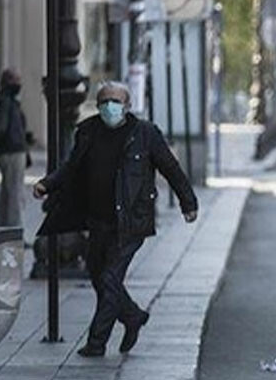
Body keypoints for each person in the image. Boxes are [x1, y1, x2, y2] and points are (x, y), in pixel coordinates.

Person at [33, 81, 198, 358]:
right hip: (98, 220)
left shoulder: (145, 134)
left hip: (132, 221)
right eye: (105, 101)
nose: (111, 106)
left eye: (116, 101)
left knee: (110, 277)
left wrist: (188, 203)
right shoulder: (88, 131)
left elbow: (171, 168)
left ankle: (96, 343)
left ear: (128, 106)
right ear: (98, 106)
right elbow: (71, 166)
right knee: (99, 277)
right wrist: (47, 184)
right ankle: (132, 316)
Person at [0, 68, 34, 227]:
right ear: (7, 83)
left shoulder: (6, 101)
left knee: (8, 192)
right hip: (12, 151)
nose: (19, 84)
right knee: (15, 193)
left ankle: (3, 227)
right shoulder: (6, 102)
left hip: (11, 150)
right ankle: (15, 230)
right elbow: (2, 128)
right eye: (15, 80)